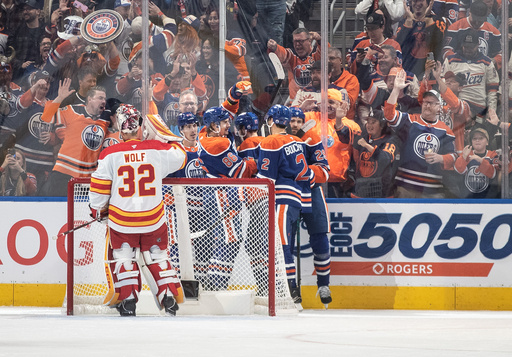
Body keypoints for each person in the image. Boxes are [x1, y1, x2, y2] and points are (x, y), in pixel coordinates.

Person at [89, 104, 187, 317]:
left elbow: (99, 187)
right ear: (139, 126)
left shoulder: (109, 153)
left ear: (120, 128)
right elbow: (181, 154)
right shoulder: (155, 148)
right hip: (154, 218)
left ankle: (129, 300)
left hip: (122, 220)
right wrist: (162, 132)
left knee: (124, 257)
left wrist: (97, 210)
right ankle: (169, 297)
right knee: (159, 257)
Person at [257, 104, 314, 305]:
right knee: (285, 243)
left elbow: (266, 177)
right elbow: (305, 174)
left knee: (281, 245)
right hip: (296, 198)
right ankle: (289, 286)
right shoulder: (297, 141)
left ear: (271, 120)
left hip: (281, 198)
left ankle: (290, 288)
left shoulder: (270, 141)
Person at [196, 106, 257, 289]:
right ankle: (216, 286)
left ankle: (213, 284)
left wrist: (234, 96)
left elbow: (222, 112)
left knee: (224, 240)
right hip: (221, 195)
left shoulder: (202, 134)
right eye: (224, 123)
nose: (228, 125)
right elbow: (242, 172)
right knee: (229, 241)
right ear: (214, 125)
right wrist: (255, 159)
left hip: (214, 194)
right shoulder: (218, 145)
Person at [384, 69, 456, 198]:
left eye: (431, 103)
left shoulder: (445, 130)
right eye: (425, 102)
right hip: (406, 187)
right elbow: (389, 115)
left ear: (439, 107)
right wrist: (395, 90)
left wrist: (442, 158)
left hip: (432, 191)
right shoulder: (410, 120)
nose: (427, 106)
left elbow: (454, 156)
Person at [288, 106, 332, 306]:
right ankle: (289, 287)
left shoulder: (312, 139)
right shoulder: (280, 141)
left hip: (311, 190)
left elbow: (325, 169)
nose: (295, 124)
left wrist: (305, 171)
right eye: (292, 121)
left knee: (320, 234)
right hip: (288, 193)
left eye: (299, 121)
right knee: (285, 240)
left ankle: (323, 284)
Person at [39, 81, 109, 196]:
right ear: (90, 99)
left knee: (84, 213)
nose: (103, 101)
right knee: (59, 210)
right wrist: (60, 98)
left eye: (104, 99)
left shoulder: (106, 121)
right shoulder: (72, 111)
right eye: (100, 98)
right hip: (63, 173)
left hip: (88, 178)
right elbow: (46, 117)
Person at [304, 88, 361, 198]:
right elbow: (288, 126)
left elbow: (357, 156)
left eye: (331, 102)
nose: (327, 105)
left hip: (337, 183)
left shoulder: (352, 125)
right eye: (324, 102)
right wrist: (301, 108)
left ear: (340, 104)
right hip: (312, 178)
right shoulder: (310, 117)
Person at [336, 109, 400, 198]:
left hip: (382, 194)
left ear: (382, 125)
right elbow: (344, 134)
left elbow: (385, 159)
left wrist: (366, 145)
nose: (369, 125)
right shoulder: (363, 136)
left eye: (373, 122)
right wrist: (338, 119)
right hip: (361, 191)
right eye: (368, 122)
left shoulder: (390, 140)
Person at [442, 29, 499, 122]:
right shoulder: (450, 60)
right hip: (457, 105)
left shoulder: (487, 62)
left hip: (479, 107)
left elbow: (492, 90)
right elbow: (443, 86)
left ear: (477, 45)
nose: (468, 50)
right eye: (466, 47)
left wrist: (491, 111)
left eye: (471, 47)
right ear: (462, 45)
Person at [443, 0, 502, 70]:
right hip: (459, 69)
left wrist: (494, 60)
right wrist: (457, 60)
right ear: (469, 12)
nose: (477, 23)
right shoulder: (455, 28)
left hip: (483, 70)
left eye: (480, 20)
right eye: (474, 20)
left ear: (487, 16)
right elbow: (446, 50)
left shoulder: (494, 32)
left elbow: (500, 54)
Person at [267, 27, 323, 100]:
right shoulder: (292, 55)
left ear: (309, 41)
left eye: (300, 41)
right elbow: (283, 54)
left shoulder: (317, 54)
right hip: (295, 102)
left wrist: (319, 40)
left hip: (315, 99)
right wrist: (275, 47)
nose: (297, 44)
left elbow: (327, 52)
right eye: (295, 41)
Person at [395, 0, 447, 78]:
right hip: (409, 72)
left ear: (428, 3)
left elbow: (438, 40)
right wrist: (409, 21)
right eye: (415, 1)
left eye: (421, 1)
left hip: (432, 72)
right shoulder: (404, 22)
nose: (417, 4)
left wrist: (427, 18)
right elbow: (399, 44)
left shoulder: (438, 20)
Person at [454, 127, 500, 198]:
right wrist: (463, 157)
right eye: (474, 138)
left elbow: (493, 174)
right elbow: (459, 170)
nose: (477, 140)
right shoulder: (467, 154)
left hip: (487, 199)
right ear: (471, 142)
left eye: (481, 138)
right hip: (468, 199)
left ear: (487, 142)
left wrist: (480, 160)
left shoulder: (492, 155)